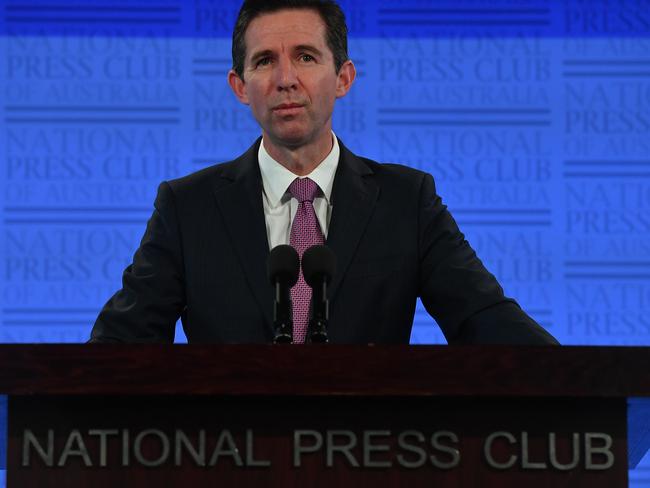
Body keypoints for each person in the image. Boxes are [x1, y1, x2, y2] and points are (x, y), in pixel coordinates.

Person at [90, 0, 558, 345]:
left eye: (306, 56)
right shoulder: (187, 207)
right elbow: (117, 348)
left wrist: (587, 389)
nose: (285, 78)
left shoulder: (406, 201)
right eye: (264, 61)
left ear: (343, 78)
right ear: (240, 86)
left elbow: (486, 321)